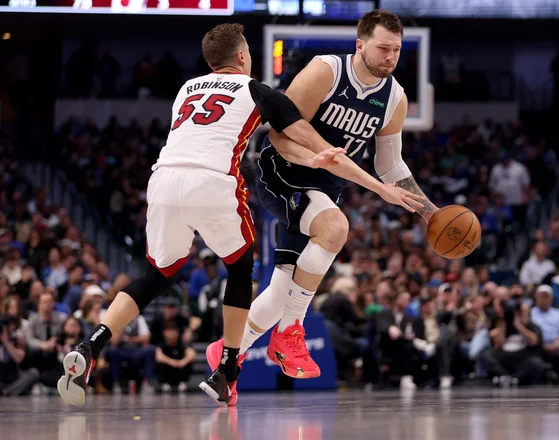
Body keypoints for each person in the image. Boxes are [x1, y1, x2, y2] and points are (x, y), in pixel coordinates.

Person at [57, 22, 349, 407]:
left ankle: (91, 343)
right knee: (240, 267)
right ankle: (228, 367)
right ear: (243, 56)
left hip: (163, 179)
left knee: (156, 275)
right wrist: (323, 155)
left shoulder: (186, 88)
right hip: (211, 181)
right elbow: (301, 133)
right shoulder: (256, 89)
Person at [204, 9, 434, 402]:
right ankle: (291, 332)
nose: (390, 57)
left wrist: (432, 212)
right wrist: (314, 159)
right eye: (382, 48)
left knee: (280, 291)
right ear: (360, 45)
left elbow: (389, 164)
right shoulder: (325, 71)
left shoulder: (394, 97)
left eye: (396, 50)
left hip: (326, 187)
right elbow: (279, 135)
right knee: (335, 228)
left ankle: (227, 354)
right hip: (283, 172)